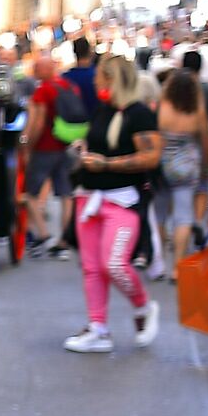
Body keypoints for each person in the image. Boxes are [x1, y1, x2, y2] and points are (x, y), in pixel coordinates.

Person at [63, 53, 162, 353]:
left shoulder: (140, 114)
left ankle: (143, 306)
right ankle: (98, 328)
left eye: (99, 79)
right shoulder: (104, 110)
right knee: (92, 268)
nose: (95, 84)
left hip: (122, 201)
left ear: (112, 80)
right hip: (90, 198)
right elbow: (98, 142)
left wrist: (107, 164)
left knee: (114, 264)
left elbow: (152, 156)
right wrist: (85, 147)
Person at [20, 50, 76, 256]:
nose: (33, 70)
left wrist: (27, 143)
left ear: (44, 69)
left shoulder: (42, 91)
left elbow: (38, 121)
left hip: (44, 148)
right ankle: (64, 241)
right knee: (66, 195)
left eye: (36, 67)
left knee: (30, 194)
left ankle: (43, 235)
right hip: (65, 146)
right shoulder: (68, 87)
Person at [153, 65, 205, 270]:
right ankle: (177, 266)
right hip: (188, 167)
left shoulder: (162, 108)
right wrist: (206, 168)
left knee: (160, 213)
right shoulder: (197, 112)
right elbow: (204, 141)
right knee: (183, 216)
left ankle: (160, 260)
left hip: (162, 166)